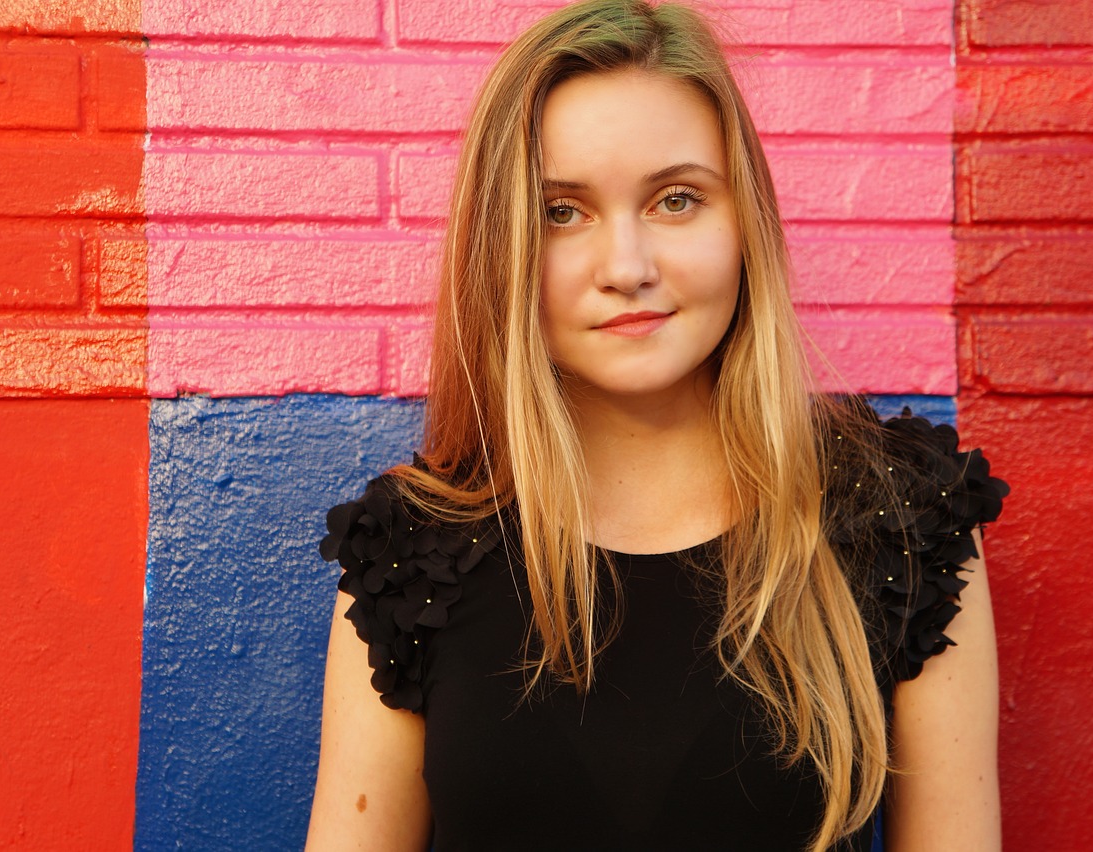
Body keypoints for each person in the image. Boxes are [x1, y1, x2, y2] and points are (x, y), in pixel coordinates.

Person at [306, 1, 1008, 850]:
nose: (628, 267)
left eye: (677, 200)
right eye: (562, 211)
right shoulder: (410, 551)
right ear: (502, 246)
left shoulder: (899, 518)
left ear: (745, 221)